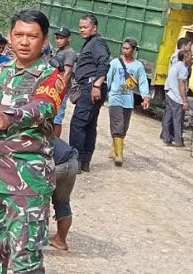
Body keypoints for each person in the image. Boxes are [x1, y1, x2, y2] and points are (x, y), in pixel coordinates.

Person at [0, 9, 63, 274]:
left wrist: (11, 116)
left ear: (44, 41)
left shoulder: (50, 76)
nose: (24, 41)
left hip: (28, 182)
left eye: (32, 36)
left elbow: (43, 107)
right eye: (18, 34)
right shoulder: (0, 73)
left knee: (25, 258)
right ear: (9, 37)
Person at [0, 136, 78, 258]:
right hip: (70, 161)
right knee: (62, 202)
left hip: (49, 165)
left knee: (25, 205)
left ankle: (19, 255)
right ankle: (60, 240)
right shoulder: (17, 132)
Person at [69, 14, 110, 173]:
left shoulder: (97, 42)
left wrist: (96, 85)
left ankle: (75, 162)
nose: (82, 30)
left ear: (94, 28)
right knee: (89, 125)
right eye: (80, 27)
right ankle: (84, 162)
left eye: (85, 27)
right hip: (90, 86)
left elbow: (104, 62)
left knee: (78, 124)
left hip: (91, 87)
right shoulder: (90, 43)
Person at [106, 38, 150, 166]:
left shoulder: (138, 66)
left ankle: (114, 150)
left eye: (128, 48)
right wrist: (108, 93)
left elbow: (142, 81)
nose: (125, 51)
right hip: (115, 98)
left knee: (124, 127)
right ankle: (119, 155)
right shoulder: (115, 63)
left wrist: (145, 97)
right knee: (118, 125)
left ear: (134, 50)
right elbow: (109, 78)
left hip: (128, 100)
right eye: (123, 48)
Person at [161, 50, 193, 147]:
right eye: (190, 56)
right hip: (177, 97)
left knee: (168, 117)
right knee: (178, 120)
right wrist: (185, 100)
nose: (191, 58)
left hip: (170, 94)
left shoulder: (174, 66)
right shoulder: (183, 69)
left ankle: (166, 138)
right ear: (185, 57)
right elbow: (181, 85)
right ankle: (178, 141)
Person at [48, 27, 76, 133]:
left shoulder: (69, 53)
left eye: (61, 38)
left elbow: (67, 72)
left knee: (57, 119)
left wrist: (61, 90)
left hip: (60, 88)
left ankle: (56, 145)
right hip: (53, 86)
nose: (58, 40)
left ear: (68, 39)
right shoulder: (58, 50)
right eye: (57, 38)